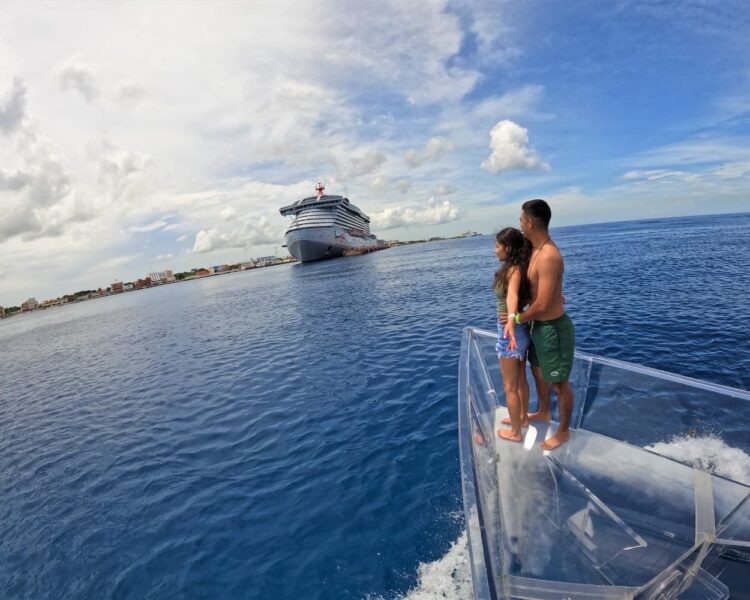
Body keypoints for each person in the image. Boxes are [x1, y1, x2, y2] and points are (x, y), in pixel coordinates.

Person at [514, 199, 575, 451]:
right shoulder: (535, 249)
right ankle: (543, 411)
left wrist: (516, 318)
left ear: (530, 222)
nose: (520, 225)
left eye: (520, 220)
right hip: (539, 327)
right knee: (538, 370)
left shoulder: (549, 255)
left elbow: (540, 305)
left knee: (560, 384)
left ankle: (563, 431)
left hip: (553, 330)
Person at [493, 228, 532, 443]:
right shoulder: (515, 268)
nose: (495, 251)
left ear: (508, 248)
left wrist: (510, 319)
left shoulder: (513, 271)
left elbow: (513, 296)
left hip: (510, 332)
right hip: (517, 329)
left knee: (510, 386)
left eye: (497, 246)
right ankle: (522, 418)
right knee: (520, 381)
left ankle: (516, 432)